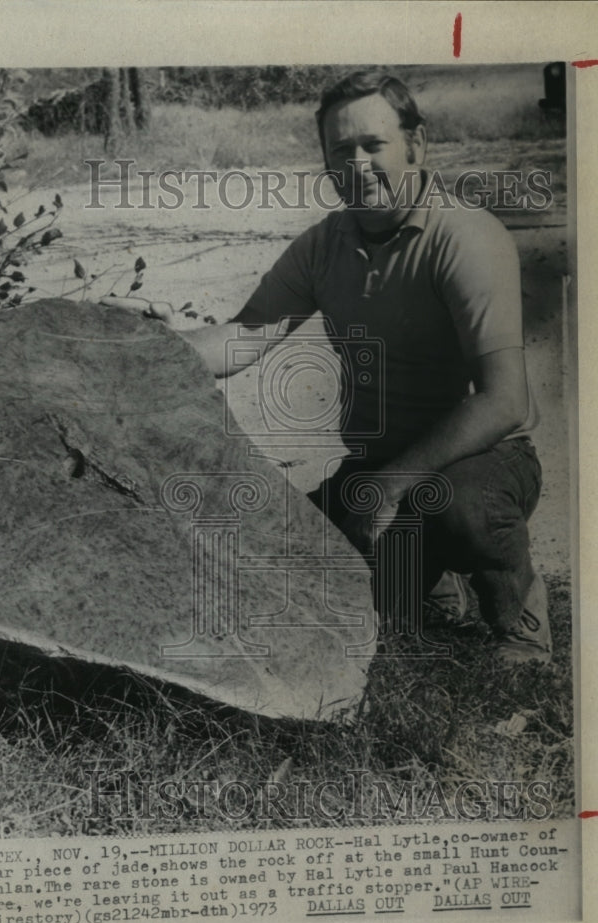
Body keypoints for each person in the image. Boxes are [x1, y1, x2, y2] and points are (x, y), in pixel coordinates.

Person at [112, 69, 551, 667]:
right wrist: (151, 342)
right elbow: (244, 336)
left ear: (416, 146)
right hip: (378, 464)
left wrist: (389, 487)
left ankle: (519, 620)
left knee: (458, 504)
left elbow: (506, 402)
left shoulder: (467, 236)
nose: (358, 166)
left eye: (374, 146)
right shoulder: (324, 244)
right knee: (287, 560)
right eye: (341, 151)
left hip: (486, 461)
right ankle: (428, 578)